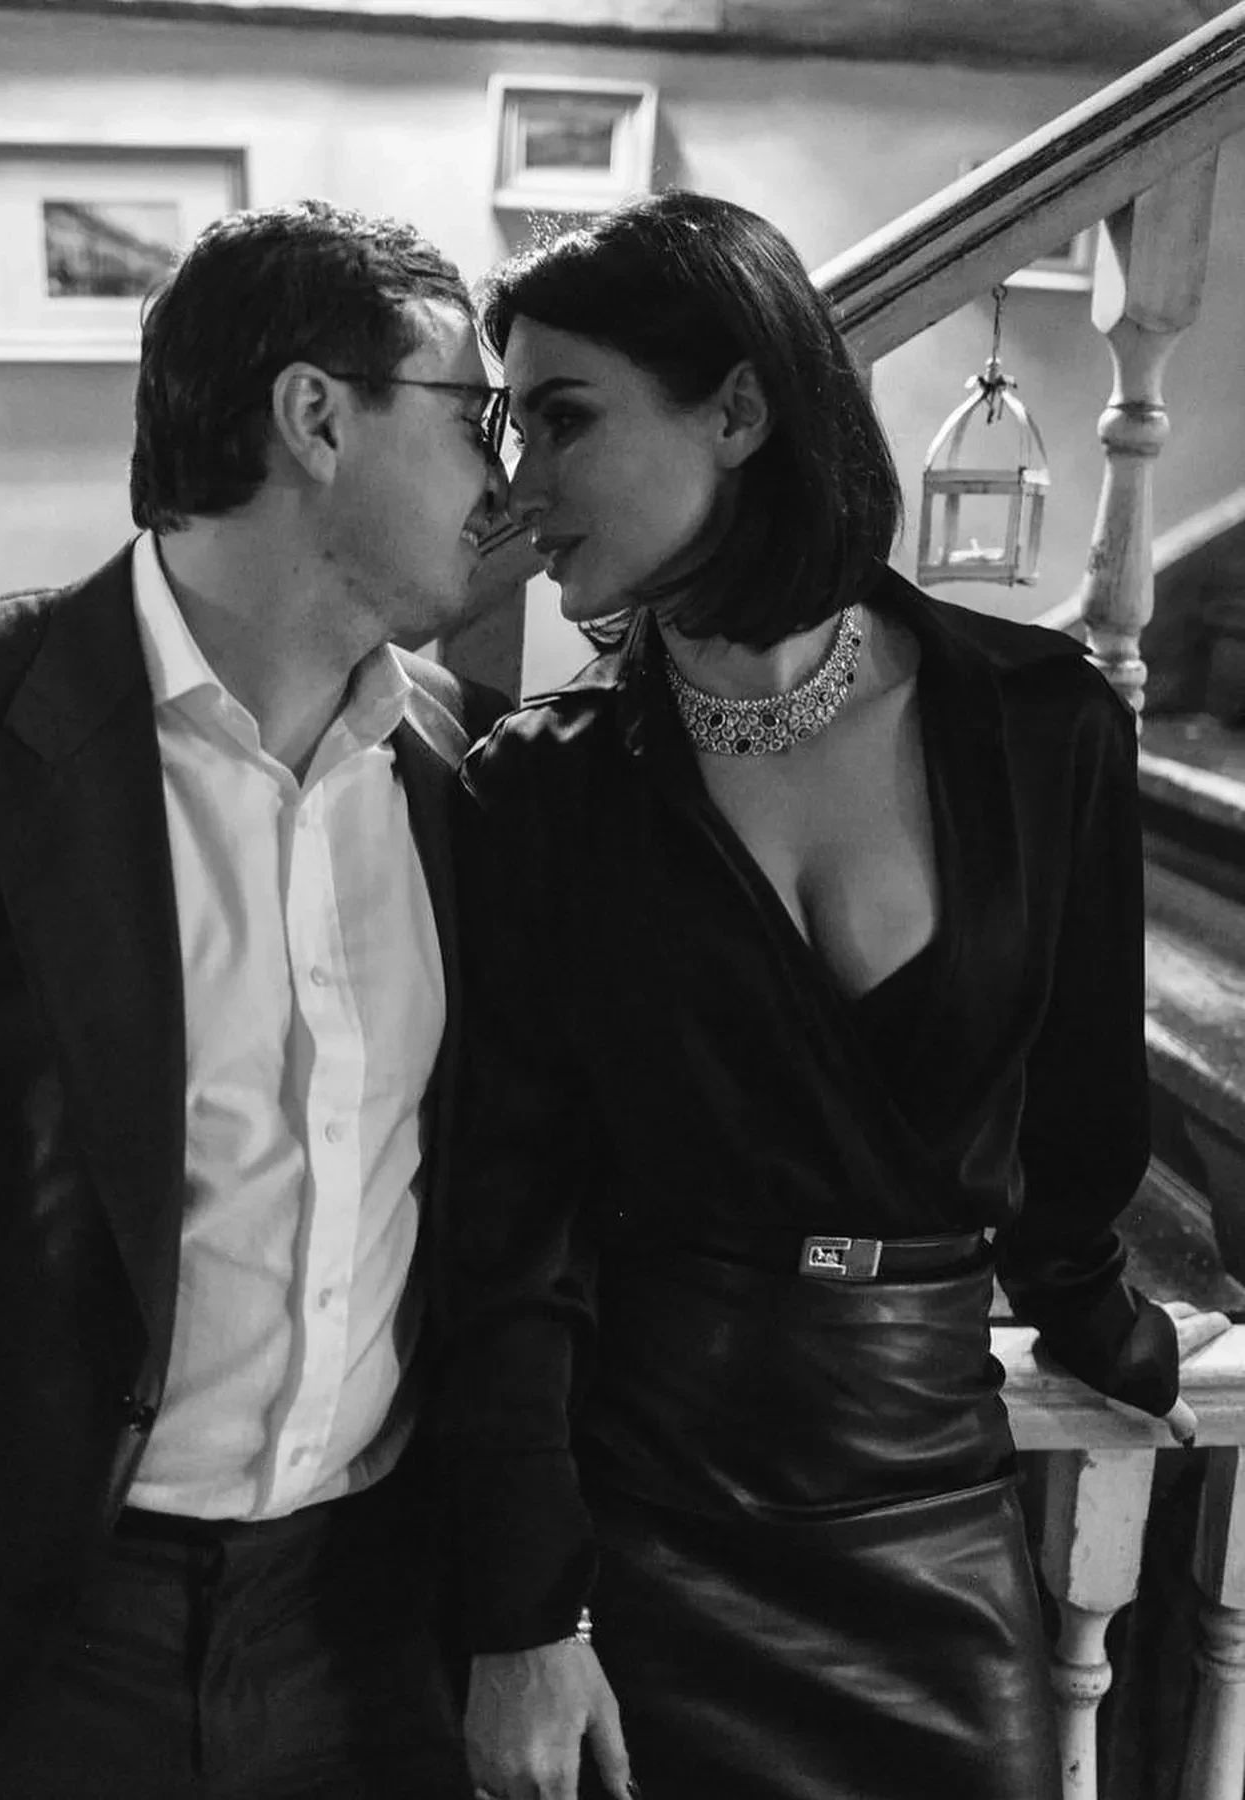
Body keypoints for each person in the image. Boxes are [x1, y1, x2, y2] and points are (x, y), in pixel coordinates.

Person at [432, 189, 1228, 1800]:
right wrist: (525, 1602)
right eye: (511, 429)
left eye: (564, 418)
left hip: (927, 1483)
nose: (522, 485)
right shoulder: (545, 789)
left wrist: (1107, 1325)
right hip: (645, 1500)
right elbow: (505, 1229)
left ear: (738, 409)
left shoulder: (1041, 722)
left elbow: (1081, 1116)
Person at [0, 198, 520, 1800]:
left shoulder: (473, 771)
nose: (501, 482)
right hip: (37, 1636)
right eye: (474, 417)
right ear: (316, 417)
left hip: (370, 1629)